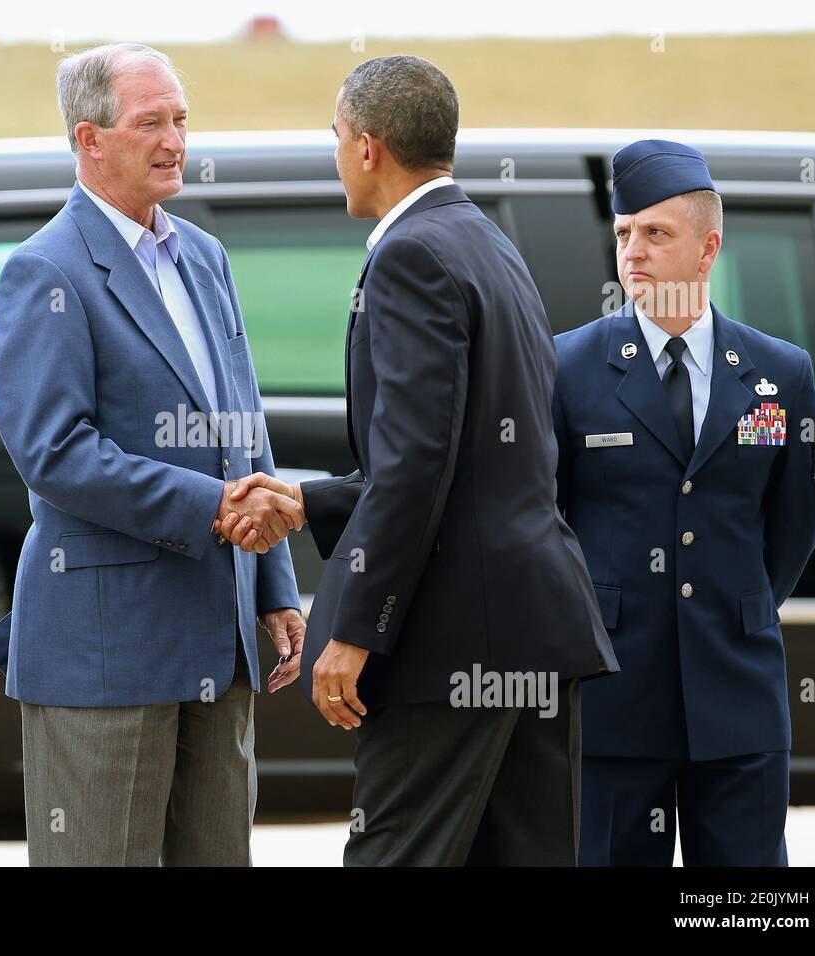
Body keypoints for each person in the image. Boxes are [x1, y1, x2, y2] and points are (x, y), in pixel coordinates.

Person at [223, 55, 617, 866]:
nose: (334, 155)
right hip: (533, 630)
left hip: (450, 644)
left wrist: (360, 629)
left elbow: (413, 464)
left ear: (368, 147)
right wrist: (312, 502)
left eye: (335, 137)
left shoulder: (408, 257)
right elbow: (471, 455)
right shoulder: (487, 243)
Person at [0, 43, 304, 866]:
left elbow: (243, 425)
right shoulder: (44, 269)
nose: (174, 140)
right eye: (150, 122)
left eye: (181, 120)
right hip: (105, 652)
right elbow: (54, 453)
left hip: (219, 636)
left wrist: (274, 585)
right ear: (90, 140)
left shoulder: (204, 255)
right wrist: (211, 509)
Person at [552, 139, 815, 866]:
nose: (632, 250)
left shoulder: (779, 374)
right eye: (622, 232)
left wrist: (741, 608)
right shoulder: (567, 367)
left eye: (655, 233)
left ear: (708, 249)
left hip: (736, 695)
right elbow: (545, 523)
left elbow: (793, 523)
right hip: (611, 696)